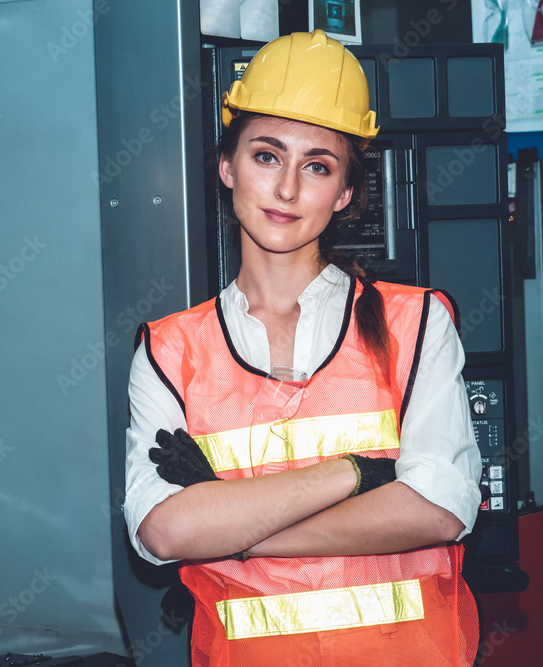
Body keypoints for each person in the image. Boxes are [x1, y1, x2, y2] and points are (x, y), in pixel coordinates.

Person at [123, 30, 482, 666]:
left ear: (344, 194)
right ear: (227, 167)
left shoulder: (418, 323)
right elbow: (165, 530)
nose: (287, 188)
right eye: (267, 156)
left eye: (317, 165)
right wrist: (356, 473)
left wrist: (237, 534)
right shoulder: (169, 349)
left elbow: (437, 508)